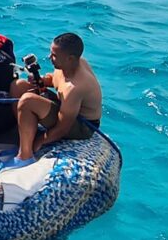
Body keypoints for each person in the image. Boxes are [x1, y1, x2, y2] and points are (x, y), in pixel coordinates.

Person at [15, 32, 104, 160]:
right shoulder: (66, 65)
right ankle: (21, 135)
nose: (49, 57)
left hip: (81, 125)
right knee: (18, 86)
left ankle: (25, 154)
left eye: (54, 55)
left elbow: (63, 127)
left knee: (27, 101)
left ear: (70, 58)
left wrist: (41, 140)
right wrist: (43, 80)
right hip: (64, 106)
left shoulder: (75, 88)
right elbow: (56, 80)